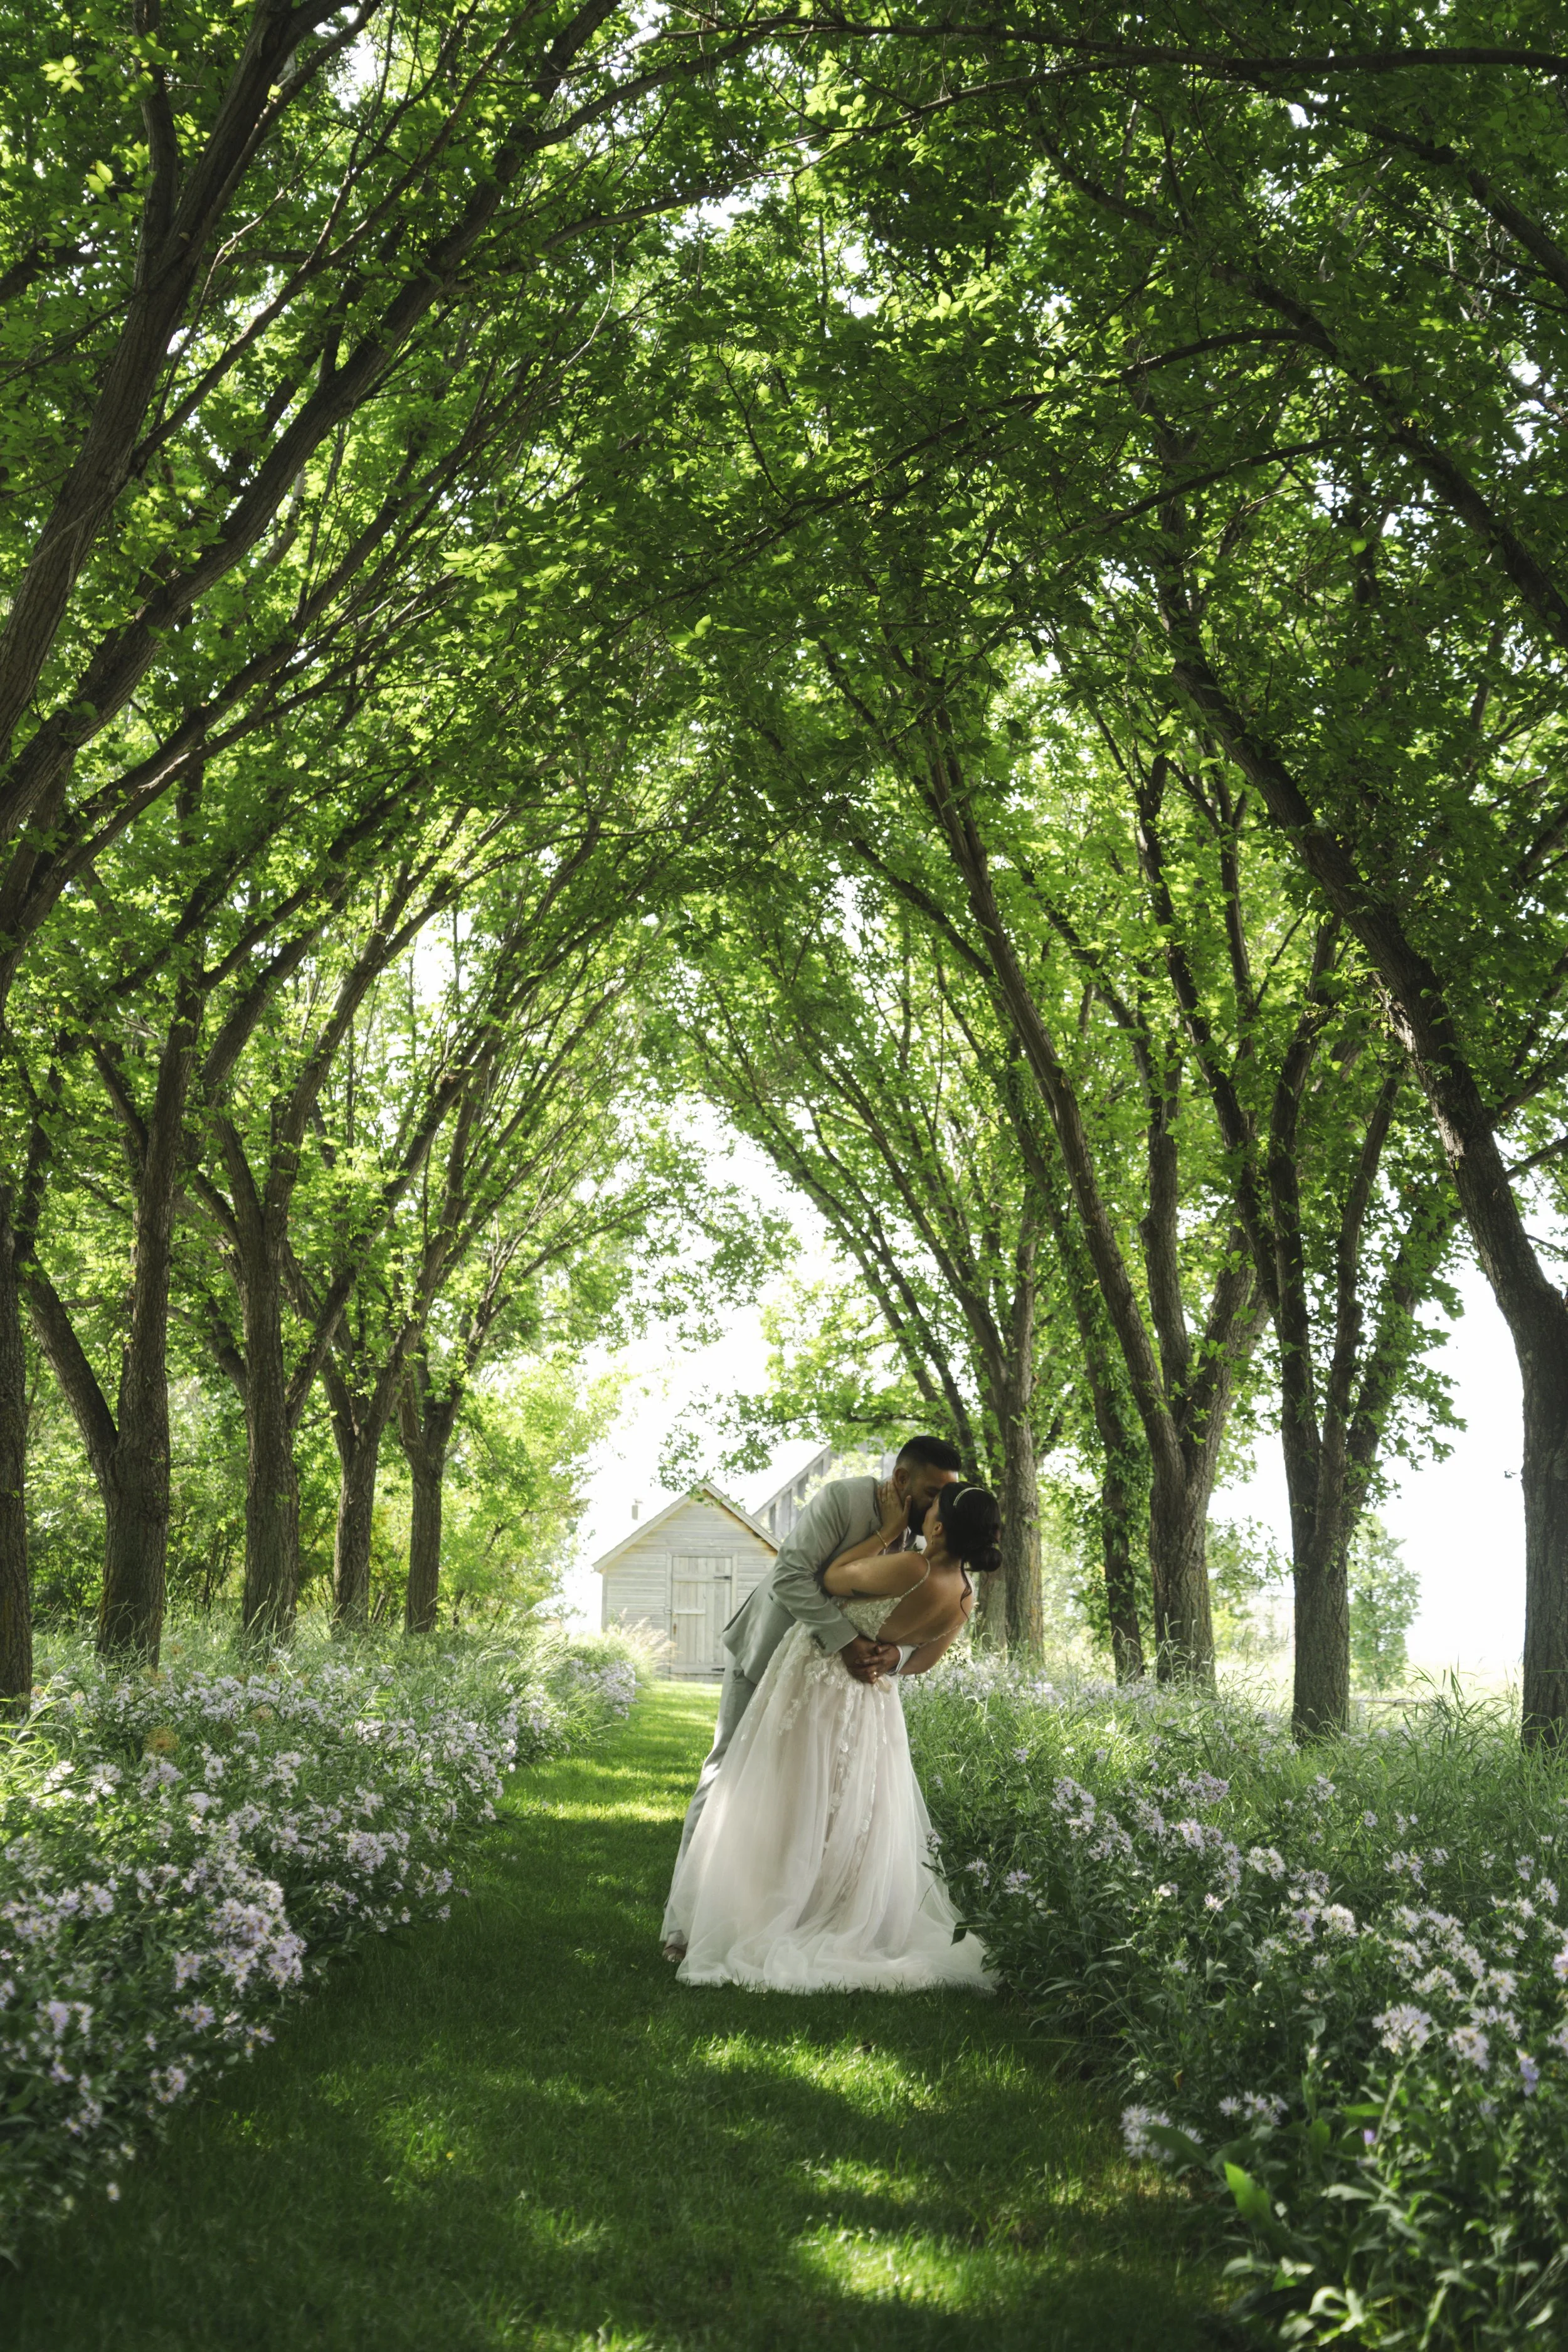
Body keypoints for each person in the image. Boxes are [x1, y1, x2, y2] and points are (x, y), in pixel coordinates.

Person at [662, 1479, 1003, 1993]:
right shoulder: (964, 1598)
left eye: (930, 1508)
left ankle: (768, 1910)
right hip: (871, 1704)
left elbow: (835, 1577)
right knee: (843, 1813)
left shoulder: (914, 1566)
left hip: (821, 1687)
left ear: (937, 1526)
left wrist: (886, 1532)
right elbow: (925, 1659)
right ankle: (822, 1907)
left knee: (787, 1797)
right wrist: (893, 1655)